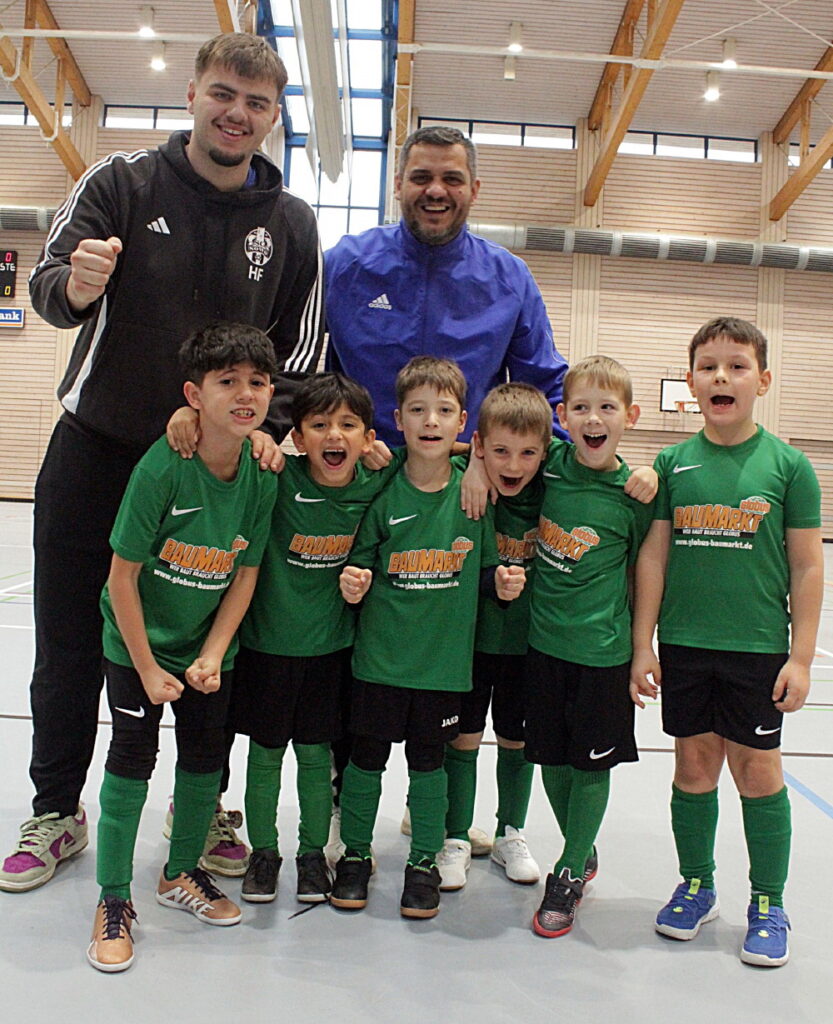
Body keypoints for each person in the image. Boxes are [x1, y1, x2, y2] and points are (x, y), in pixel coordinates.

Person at [1, 32, 323, 893]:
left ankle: (201, 805)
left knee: (209, 651)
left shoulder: (291, 223)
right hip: (98, 456)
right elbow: (46, 286)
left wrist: (267, 429)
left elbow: (302, 350)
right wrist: (77, 286)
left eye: (256, 103)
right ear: (192, 94)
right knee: (70, 645)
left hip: (218, 481)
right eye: (223, 93)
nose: (236, 113)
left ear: (273, 116)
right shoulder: (120, 182)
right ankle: (56, 810)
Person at [630, 317, 823, 967]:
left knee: (758, 772)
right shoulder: (670, 464)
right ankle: (696, 884)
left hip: (756, 649)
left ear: (761, 381)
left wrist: (800, 657)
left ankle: (768, 901)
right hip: (686, 645)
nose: (721, 376)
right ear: (690, 383)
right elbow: (653, 557)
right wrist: (643, 644)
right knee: (692, 768)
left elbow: (807, 566)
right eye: (708, 366)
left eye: (736, 366)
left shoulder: (789, 466)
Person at [86, 322, 278, 972]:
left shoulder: (261, 474)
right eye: (228, 382)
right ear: (195, 395)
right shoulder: (162, 468)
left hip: (204, 649)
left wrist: (214, 653)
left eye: (257, 382)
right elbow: (121, 579)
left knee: (203, 761)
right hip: (136, 643)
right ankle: (113, 898)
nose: (245, 394)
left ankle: (179, 874)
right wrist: (145, 667)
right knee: (131, 758)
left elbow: (245, 574)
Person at [330, 357, 526, 919]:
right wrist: (354, 582)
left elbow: (485, 571)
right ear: (399, 420)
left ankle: (422, 862)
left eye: (444, 411)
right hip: (380, 662)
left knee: (428, 765)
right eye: (417, 410)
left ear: (463, 422)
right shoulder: (384, 491)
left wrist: (501, 584)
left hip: (443, 667)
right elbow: (359, 562)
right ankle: (355, 855)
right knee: (366, 760)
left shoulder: (474, 495)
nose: (431, 421)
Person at [231, 372, 405, 905]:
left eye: (349, 425)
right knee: (264, 757)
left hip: (330, 652)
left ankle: (311, 854)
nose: (334, 435)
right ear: (298, 437)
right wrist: (252, 433)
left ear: (368, 438)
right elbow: (221, 440)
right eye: (320, 425)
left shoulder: (377, 481)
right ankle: (264, 853)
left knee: (315, 756)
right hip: (267, 647)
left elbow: (439, 452)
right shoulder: (277, 477)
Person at [323, 125, 568, 448]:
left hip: (466, 473)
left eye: (452, 179)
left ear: (474, 190)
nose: (436, 191)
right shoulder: (343, 266)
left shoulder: (510, 279)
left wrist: (566, 465)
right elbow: (287, 358)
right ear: (398, 185)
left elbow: (546, 388)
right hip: (357, 467)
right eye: (421, 178)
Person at [526, 356, 654, 938]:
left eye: (607, 408)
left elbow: (647, 574)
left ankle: (570, 868)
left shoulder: (636, 494)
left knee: (591, 765)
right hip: (543, 645)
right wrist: (473, 463)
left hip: (603, 655)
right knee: (551, 761)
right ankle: (582, 844)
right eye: (580, 407)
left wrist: (642, 648)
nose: (593, 418)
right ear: (563, 415)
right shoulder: (549, 464)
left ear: (630, 416)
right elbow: (494, 448)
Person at [436, 382, 550, 892]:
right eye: (500, 451)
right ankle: (455, 836)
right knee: (462, 737)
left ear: (544, 453)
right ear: (480, 445)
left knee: (516, 738)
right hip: (469, 642)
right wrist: (470, 462)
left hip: (526, 644)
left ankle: (510, 832)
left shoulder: (552, 484)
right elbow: (420, 451)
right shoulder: (465, 478)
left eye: (527, 453)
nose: (513, 464)